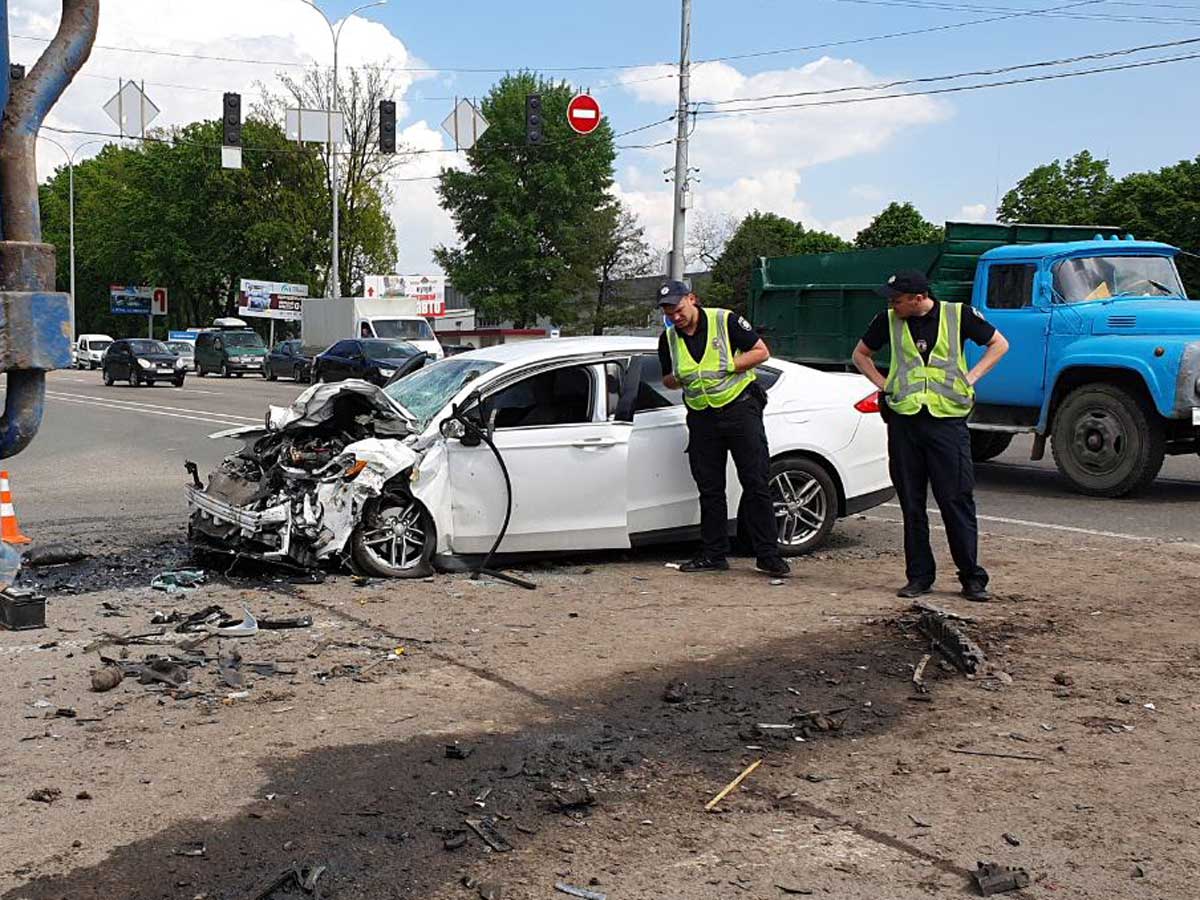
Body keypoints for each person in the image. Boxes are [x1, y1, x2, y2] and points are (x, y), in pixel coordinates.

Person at [851, 269, 1009, 601]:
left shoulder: (958, 315)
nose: (892, 305)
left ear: (919, 298)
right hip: (905, 420)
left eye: (898, 300)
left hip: (946, 421)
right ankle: (919, 576)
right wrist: (884, 385)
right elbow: (860, 355)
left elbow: (999, 344)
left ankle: (972, 578)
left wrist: (971, 377)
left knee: (956, 500)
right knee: (912, 503)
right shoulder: (888, 320)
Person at [655, 280, 790, 577]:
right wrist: (677, 378)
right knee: (710, 488)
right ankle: (714, 554)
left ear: (692, 299)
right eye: (668, 312)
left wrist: (729, 364)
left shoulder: (723, 319)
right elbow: (667, 378)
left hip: (739, 409)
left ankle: (768, 555)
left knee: (755, 482)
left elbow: (760, 352)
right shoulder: (668, 338)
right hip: (702, 416)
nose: (674, 317)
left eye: (677, 309)